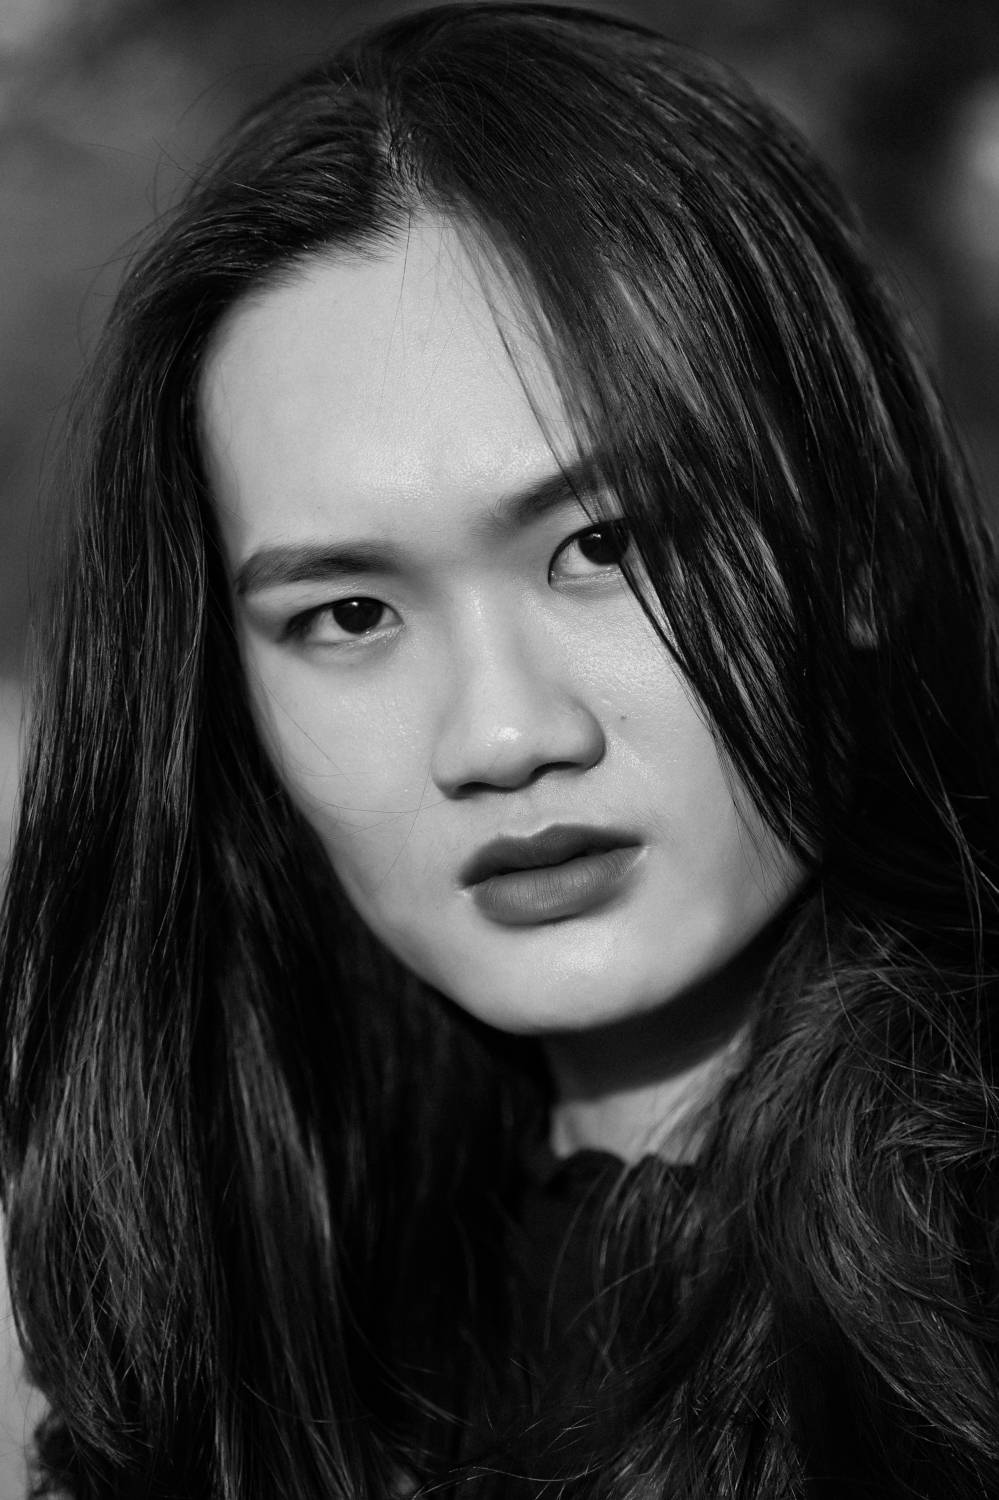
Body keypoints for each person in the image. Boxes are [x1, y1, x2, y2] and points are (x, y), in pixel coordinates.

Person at [1, 3, 997, 1495]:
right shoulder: (224, 1355)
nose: (506, 734)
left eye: (607, 544)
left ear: (853, 534)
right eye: (348, 614)